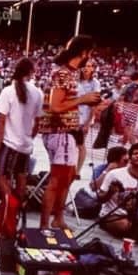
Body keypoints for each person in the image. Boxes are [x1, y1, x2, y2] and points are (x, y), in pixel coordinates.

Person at [37, 35, 101, 229]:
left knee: (68, 176)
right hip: (60, 133)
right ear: (84, 52)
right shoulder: (63, 73)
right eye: (90, 54)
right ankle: (44, 225)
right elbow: (56, 106)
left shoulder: (68, 73)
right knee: (57, 180)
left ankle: (58, 218)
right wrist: (83, 99)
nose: (90, 58)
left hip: (66, 132)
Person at [0, 58, 43, 201]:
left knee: (1, 175)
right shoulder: (37, 93)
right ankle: (17, 207)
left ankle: (10, 207)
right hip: (25, 144)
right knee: (21, 176)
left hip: (8, 142)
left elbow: (2, 120)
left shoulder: (8, 91)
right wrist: (30, 137)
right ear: (31, 72)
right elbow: (38, 122)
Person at [75, 58, 100, 173]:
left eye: (89, 66)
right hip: (73, 116)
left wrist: (88, 123)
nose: (86, 68)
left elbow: (94, 104)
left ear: (93, 69)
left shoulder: (95, 83)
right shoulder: (76, 80)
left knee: (81, 144)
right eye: (85, 66)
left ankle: (77, 171)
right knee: (71, 144)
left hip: (85, 118)